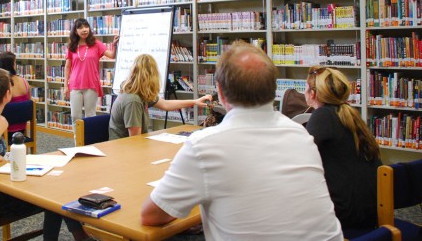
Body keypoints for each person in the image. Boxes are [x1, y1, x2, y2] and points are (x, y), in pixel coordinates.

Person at [141, 42, 343, 240]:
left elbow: (151, 216)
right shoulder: (301, 135)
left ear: (220, 91)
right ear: (273, 89)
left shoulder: (204, 145)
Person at [0, 68, 91, 241]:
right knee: (55, 193)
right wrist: (0, 157)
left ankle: (80, 235)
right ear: (7, 94)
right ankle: (79, 236)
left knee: (51, 187)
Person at [305, 66, 382, 235]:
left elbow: (301, 155)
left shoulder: (323, 116)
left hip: (347, 214)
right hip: (371, 209)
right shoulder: (351, 113)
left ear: (313, 94)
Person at [109, 54, 212, 139]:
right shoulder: (133, 100)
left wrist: (195, 101)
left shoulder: (139, 92)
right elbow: (135, 139)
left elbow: (166, 104)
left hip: (134, 145)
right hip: (124, 151)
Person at [65, 18, 118, 126]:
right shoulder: (72, 46)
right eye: (80, 28)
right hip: (75, 85)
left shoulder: (96, 43)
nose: (84, 30)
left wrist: (115, 45)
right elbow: (67, 67)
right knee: (75, 116)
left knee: (90, 115)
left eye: (86, 27)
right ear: (75, 31)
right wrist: (65, 85)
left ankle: (89, 141)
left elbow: (112, 55)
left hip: (91, 84)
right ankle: (78, 142)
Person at [0, 51, 31, 143]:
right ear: (12, 65)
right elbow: (29, 101)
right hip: (21, 129)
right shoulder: (24, 81)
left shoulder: (0, 84)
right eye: (15, 63)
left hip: (4, 128)